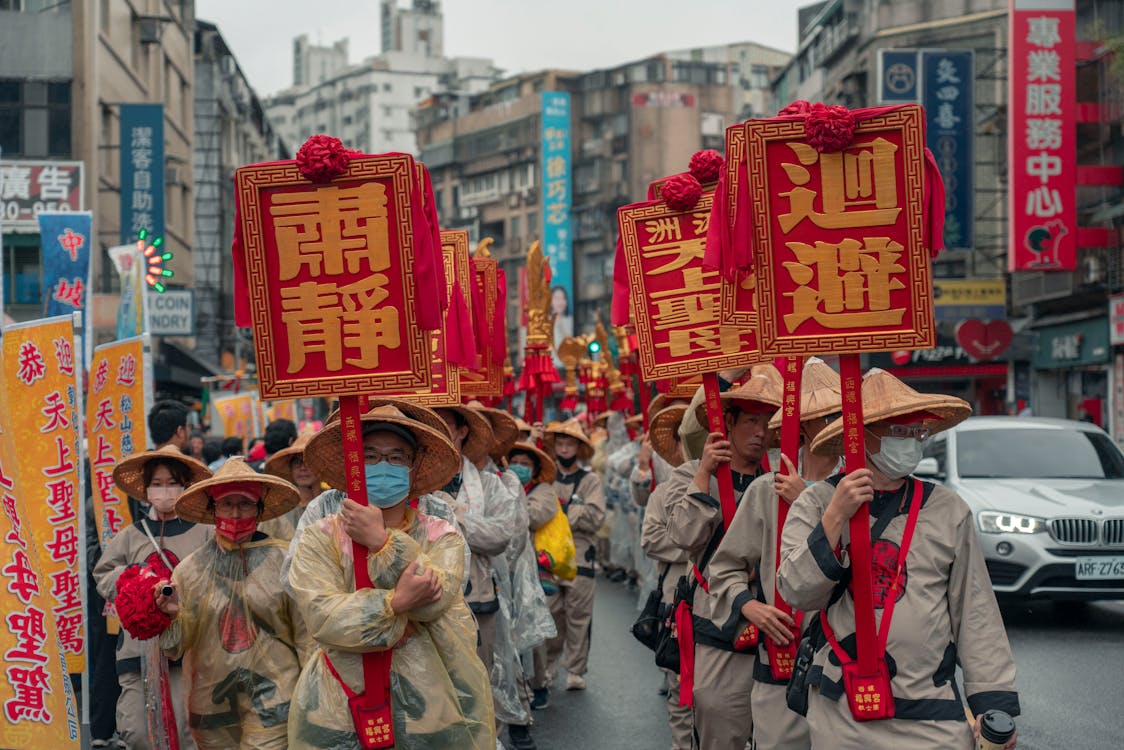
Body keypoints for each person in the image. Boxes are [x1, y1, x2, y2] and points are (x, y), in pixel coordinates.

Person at [779, 369, 1019, 750]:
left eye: (915, 432)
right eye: (898, 432)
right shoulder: (817, 502)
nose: (910, 441)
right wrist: (835, 515)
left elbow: (975, 610)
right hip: (843, 708)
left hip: (931, 711)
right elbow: (795, 589)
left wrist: (992, 702)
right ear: (864, 436)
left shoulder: (947, 508)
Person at [287, 404, 495, 748]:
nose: (384, 465)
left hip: (430, 700)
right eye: (370, 456)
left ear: (414, 468)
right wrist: (395, 604)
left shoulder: (441, 534)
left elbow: (434, 599)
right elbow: (322, 616)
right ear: (351, 463)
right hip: (338, 700)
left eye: (397, 458)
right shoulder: (319, 536)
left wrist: (382, 542)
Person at [705, 357, 844, 750]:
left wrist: (813, 506)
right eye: (824, 417)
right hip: (783, 653)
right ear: (801, 428)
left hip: (846, 665)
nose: (834, 424)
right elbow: (725, 568)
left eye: (840, 414)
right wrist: (749, 606)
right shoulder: (767, 490)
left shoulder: (863, 492)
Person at [663, 366, 783, 750]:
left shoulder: (782, 477)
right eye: (751, 420)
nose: (761, 431)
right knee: (718, 724)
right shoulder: (693, 475)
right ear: (728, 422)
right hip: (717, 621)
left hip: (776, 622)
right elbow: (683, 536)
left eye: (768, 421)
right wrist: (704, 472)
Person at [156, 458, 311, 749]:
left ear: (259, 510)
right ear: (213, 510)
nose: (236, 512)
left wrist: (311, 693)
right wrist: (170, 618)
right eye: (227, 504)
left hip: (275, 697)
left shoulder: (285, 561)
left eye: (245, 504)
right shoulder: (189, 571)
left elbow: (305, 635)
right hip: (210, 704)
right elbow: (174, 647)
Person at [94, 444, 213, 750]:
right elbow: (102, 573)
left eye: (172, 483)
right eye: (156, 484)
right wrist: (135, 584)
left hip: (188, 650)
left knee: (189, 732)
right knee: (136, 731)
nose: (164, 491)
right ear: (145, 489)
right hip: (137, 651)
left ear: (185, 486)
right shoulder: (131, 535)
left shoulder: (204, 533)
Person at [430, 403, 524, 742]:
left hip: (479, 595)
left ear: (462, 431)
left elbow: (500, 535)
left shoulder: (488, 483)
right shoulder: (416, 481)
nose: (439, 430)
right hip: (430, 598)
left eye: (445, 423)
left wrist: (453, 516)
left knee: (480, 682)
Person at [535, 418, 606, 694]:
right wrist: (569, 511)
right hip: (548, 559)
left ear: (579, 447)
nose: (564, 449)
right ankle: (550, 664)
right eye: (560, 443)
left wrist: (561, 512)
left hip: (581, 559)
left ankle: (575, 669)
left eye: (570, 444)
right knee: (551, 613)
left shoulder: (590, 480)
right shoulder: (546, 478)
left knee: (579, 616)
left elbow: (596, 516)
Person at [638, 403, 693, 750]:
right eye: (683, 439)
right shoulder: (663, 492)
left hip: (730, 602)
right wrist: (700, 543)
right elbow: (652, 539)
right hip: (678, 599)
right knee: (680, 687)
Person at [260, 433, 323, 541]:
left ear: (321, 465)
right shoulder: (278, 511)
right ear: (291, 469)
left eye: (308, 461)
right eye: (297, 462)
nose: (302, 468)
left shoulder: (335, 502)